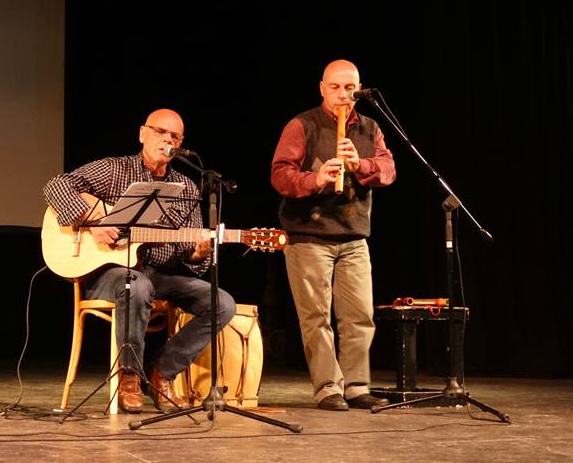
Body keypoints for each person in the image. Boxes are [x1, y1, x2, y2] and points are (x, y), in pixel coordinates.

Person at [43, 108, 236, 413]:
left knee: (222, 303)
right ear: (142, 134)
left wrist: (199, 252)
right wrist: (93, 221)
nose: (167, 139)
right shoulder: (115, 169)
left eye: (175, 136)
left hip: (161, 275)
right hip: (108, 272)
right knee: (136, 284)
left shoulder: (186, 187)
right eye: (160, 132)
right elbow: (56, 185)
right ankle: (129, 376)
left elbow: (190, 260)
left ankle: (162, 372)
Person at [270, 59, 396, 411]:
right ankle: (328, 388)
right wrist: (317, 179)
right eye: (336, 87)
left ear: (359, 90)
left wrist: (360, 165)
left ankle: (356, 386)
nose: (343, 95)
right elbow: (280, 175)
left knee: (360, 316)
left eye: (350, 88)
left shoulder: (370, 128)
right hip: (309, 234)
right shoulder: (302, 125)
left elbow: (388, 170)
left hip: (353, 235)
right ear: (322, 88)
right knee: (316, 317)